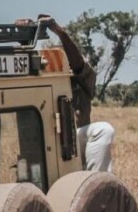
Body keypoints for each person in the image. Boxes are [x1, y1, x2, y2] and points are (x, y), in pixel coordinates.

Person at [30, 14, 116, 172]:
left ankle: (94, 183)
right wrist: (24, 37)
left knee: (104, 130)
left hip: (74, 143)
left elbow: (78, 64)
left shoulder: (83, 80)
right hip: (47, 145)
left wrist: (60, 32)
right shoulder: (39, 83)